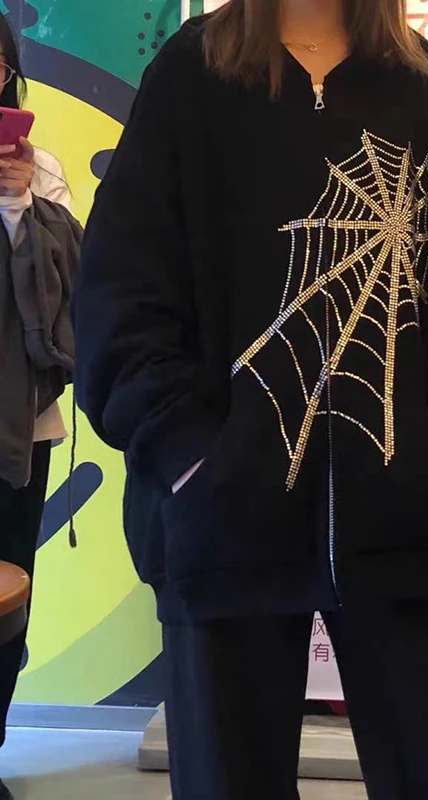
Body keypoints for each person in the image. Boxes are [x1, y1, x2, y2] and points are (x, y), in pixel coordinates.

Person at [72, 1, 428, 798]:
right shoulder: (192, 73)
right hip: (220, 519)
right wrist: (187, 454)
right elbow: (122, 288)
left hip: (406, 519)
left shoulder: (416, 80)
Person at [0, 13, 76, 800]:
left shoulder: (39, 168)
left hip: (21, 425)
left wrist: (20, 209)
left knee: (6, 602)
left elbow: (70, 285)